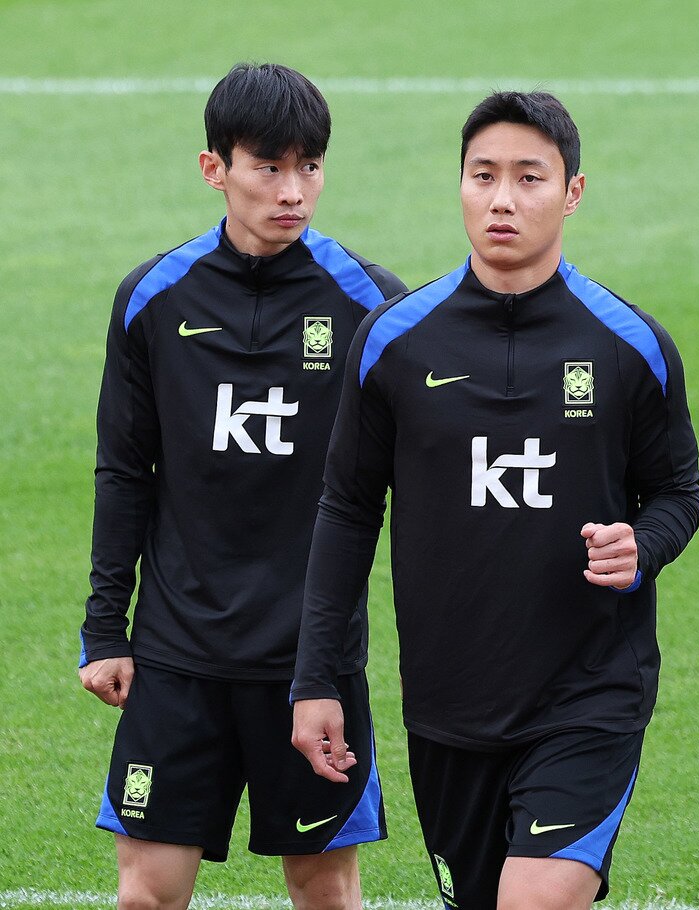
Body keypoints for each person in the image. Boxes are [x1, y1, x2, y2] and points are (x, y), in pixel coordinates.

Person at [290, 90, 699, 910]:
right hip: (449, 705)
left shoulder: (629, 345)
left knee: (534, 900)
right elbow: (347, 512)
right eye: (483, 176)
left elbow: (676, 494)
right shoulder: (394, 342)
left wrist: (641, 546)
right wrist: (315, 679)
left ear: (572, 192)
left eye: (528, 177)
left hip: (590, 694)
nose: (502, 199)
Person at [79, 62, 405, 910]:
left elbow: (426, 470)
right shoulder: (153, 299)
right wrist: (105, 628)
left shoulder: (373, 305)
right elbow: (124, 470)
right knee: (147, 892)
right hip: (175, 653)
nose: (293, 191)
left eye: (310, 166)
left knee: (323, 887)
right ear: (214, 168)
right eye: (268, 167)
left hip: (311, 663)